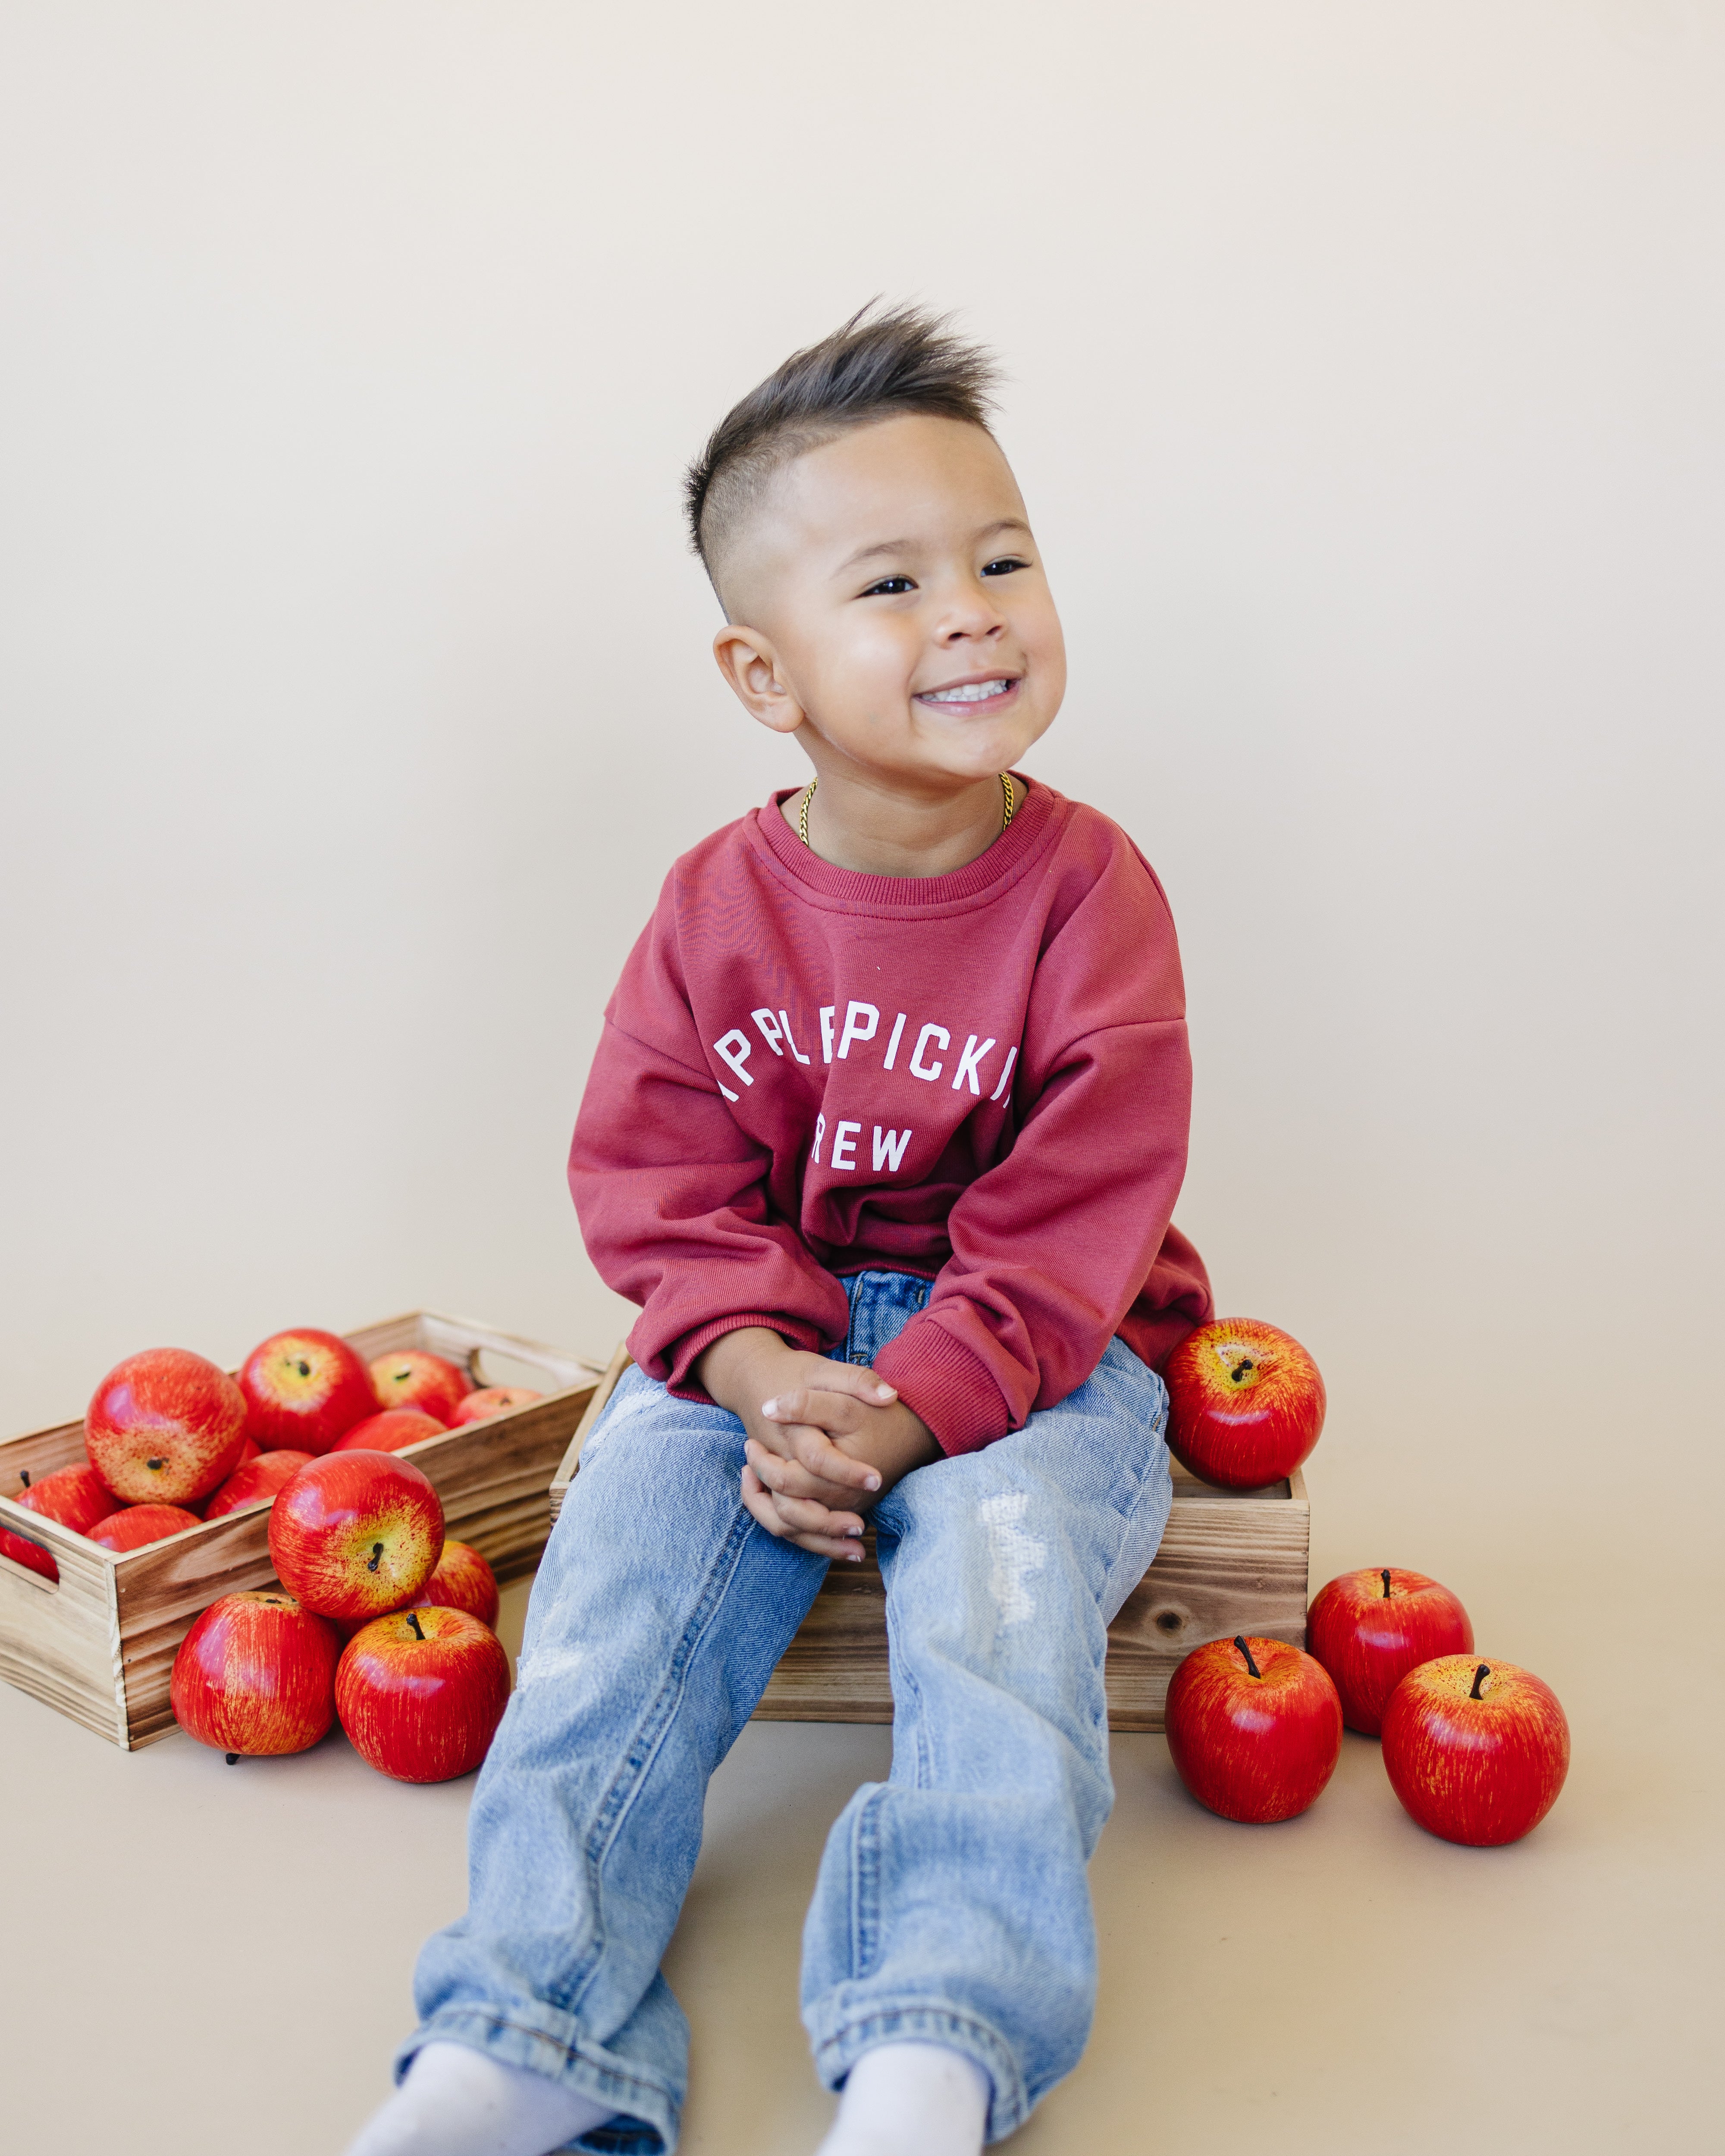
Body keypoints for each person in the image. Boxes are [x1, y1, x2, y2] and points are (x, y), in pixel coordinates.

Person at [346, 304, 1211, 2156]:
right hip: (766, 1343)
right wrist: (752, 1373)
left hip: (1036, 1353)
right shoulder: (713, 906)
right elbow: (660, 1184)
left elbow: (1079, 1213)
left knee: (994, 1599)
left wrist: (912, 1408)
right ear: (765, 674)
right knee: (612, 1594)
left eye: (1002, 560)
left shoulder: (1092, 894)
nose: (970, 613)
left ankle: (935, 2041)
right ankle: (524, 2025)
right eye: (892, 584)